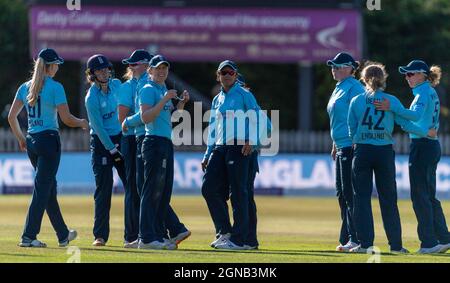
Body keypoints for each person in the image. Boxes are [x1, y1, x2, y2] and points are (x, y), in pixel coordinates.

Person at [348, 62, 437, 254]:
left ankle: (365, 244)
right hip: (384, 153)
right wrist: (425, 132)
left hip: (362, 151)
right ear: (383, 79)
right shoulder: (391, 100)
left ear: (363, 79)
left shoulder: (356, 100)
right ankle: (396, 246)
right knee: (389, 199)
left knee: (361, 199)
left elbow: (351, 127)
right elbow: (405, 123)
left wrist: (358, 140)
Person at [8, 48, 88, 247]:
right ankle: (28, 236)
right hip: (49, 141)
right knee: (42, 189)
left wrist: (21, 138)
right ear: (50, 66)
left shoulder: (25, 87)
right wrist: (82, 122)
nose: (58, 68)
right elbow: (67, 119)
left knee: (47, 189)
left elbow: (11, 117)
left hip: (32, 141)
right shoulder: (55, 87)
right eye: (57, 65)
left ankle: (62, 235)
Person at [374, 60, 450, 254]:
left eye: (411, 74)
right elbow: (421, 124)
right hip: (429, 144)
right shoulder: (427, 91)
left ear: (423, 75)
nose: (407, 78)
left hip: (423, 146)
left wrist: (393, 109)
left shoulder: (424, 92)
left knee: (420, 196)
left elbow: (414, 118)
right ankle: (443, 238)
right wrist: (401, 117)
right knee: (428, 196)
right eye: (406, 74)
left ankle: (429, 243)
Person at [202, 61, 269, 250]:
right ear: (218, 75)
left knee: (239, 194)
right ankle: (225, 231)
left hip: (240, 146)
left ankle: (240, 239)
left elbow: (259, 119)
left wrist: (252, 141)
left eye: (231, 72)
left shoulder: (244, 94)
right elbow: (214, 129)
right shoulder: (218, 99)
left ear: (236, 75)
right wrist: (208, 153)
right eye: (224, 72)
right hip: (220, 147)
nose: (227, 75)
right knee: (209, 188)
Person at [137, 55, 190, 250]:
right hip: (153, 143)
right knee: (152, 191)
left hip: (165, 142)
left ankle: (158, 235)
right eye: (157, 68)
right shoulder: (148, 89)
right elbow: (145, 117)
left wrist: (181, 104)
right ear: (149, 71)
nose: (161, 71)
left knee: (163, 192)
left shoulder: (162, 90)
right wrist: (165, 99)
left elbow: (172, 118)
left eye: (164, 68)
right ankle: (147, 237)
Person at [84, 54, 127, 247]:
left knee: (133, 186)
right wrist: (111, 149)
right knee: (104, 189)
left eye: (106, 69)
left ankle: (134, 234)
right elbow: (98, 127)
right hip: (102, 144)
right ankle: (100, 235)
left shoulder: (118, 85)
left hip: (121, 138)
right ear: (92, 74)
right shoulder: (91, 97)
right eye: (100, 70)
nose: (105, 72)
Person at [326, 52, 363, 252]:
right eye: (333, 66)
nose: (334, 69)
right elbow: (338, 119)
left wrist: (356, 140)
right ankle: (347, 235)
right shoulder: (338, 87)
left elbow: (360, 115)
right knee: (341, 193)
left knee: (350, 193)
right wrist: (334, 143)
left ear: (350, 68)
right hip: (340, 144)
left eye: (338, 66)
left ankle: (356, 238)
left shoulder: (355, 87)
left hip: (351, 145)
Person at [118, 49, 151, 248]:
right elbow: (122, 119)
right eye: (129, 64)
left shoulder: (152, 83)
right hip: (131, 140)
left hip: (149, 138)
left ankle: (151, 232)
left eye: (135, 63)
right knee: (133, 187)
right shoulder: (127, 87)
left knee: (147, 186)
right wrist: (141, 118)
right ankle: (131, 234)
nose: (130, 67)